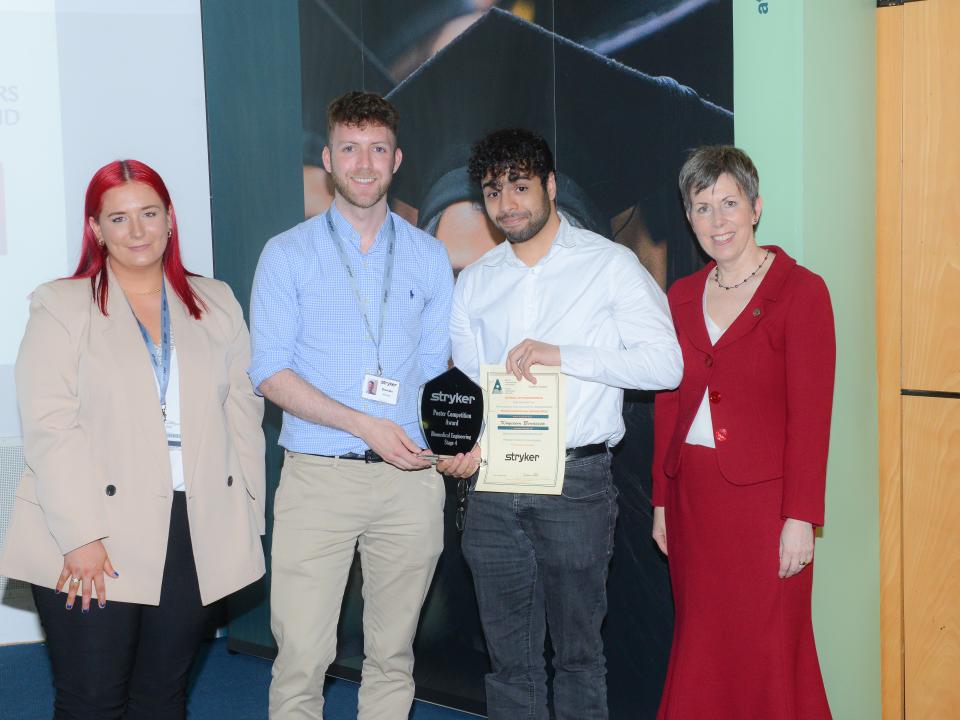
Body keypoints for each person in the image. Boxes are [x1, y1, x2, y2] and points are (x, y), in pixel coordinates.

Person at [0, 159, 266, 719]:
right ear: (96, 229)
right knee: (92, 699)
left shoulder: (216, 301)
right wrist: (80, 536)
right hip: (92, 528)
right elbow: (50, 427)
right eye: (118, 218)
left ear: (170, 219)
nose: (138, 230)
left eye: (149, 213)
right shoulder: (60, 305)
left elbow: (243, 414)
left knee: (161, 696)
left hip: (194, 527)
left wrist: (244, 517)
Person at [441, 128, 683, 720]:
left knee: (578, 659)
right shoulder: (475, 282)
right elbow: (469, 387)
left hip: (575, 485)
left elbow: (666, 365)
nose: (508, 204)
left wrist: (566, 355)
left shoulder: (610, 266)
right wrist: (462, 444)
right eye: (494, 192)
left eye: (521, 186)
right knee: (508, 664)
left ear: (549, 186)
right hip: (494, 487)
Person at [249, 90, 454, 720]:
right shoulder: (287, 255)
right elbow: (269, 374)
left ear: (397, 160)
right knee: (302, 658)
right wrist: (362, 421)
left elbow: (439, 372)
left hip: (409, 481)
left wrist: (454, 437)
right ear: (328, 159)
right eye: (349, 149)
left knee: (393, 658)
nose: (363, 164)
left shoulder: (429, 254)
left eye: (377, 150)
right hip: (318, 478)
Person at [652, 145, 835, 718]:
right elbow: (666, 406)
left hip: (766, 511)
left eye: (729, 203)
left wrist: (800, 518)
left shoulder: (801, 292)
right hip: (694, 505)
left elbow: (812, 417)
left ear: (756, 207)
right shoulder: (679, 296)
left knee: (768, 653)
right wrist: (661, 503)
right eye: (702, 207)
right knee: (702, 647)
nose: (717, 220)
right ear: (689, 219)